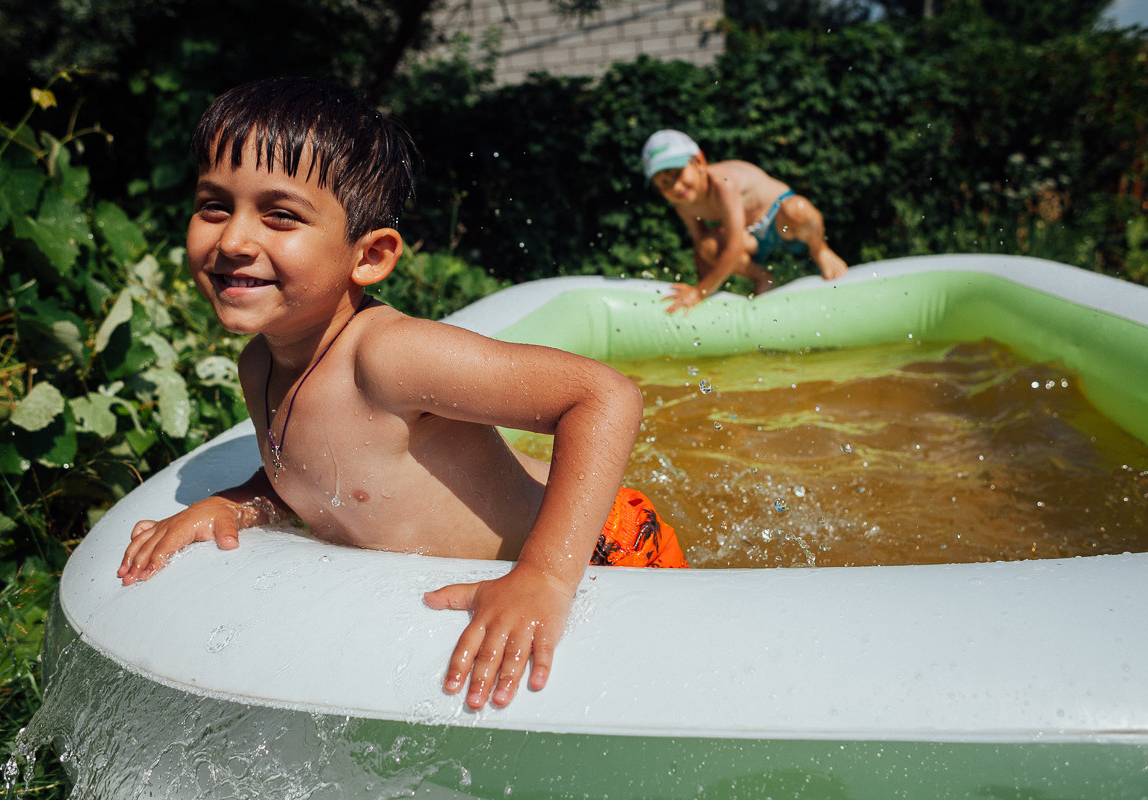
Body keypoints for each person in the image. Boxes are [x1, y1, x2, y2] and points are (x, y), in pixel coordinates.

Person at [116, 77, 688, 712]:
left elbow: (603, 397)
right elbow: (312, 475)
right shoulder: (262, 364)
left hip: (612, 551)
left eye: (280, 215)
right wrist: (241, 502)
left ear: (370, 257)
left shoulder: (387, 358)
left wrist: (545, 577)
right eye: (214, 205)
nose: (231, 241)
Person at [641, 129, 849, 314]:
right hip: (750, 238)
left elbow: (734, 246)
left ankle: (820, 249)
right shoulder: (683, 205)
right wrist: (699, 288)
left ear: (699, 161)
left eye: (678, 174)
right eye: (665, 183)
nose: (676, 187)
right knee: (708, 247)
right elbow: (700, 246)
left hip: (780, 220)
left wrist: (699, 293)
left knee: (799, 209)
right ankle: (763, 278)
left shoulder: (724, 184)